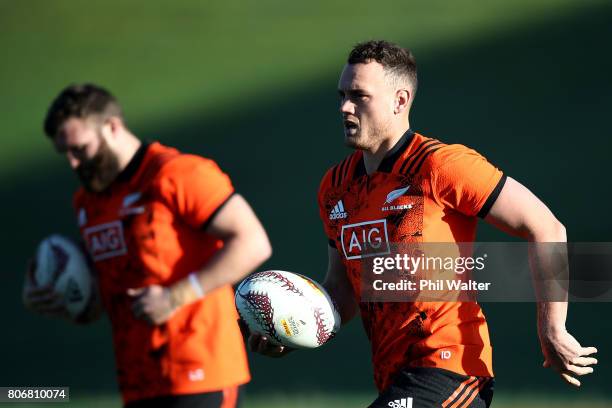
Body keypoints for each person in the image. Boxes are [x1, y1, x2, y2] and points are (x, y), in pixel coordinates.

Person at [250, 40, 597, 407]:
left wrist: (551, 328)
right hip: (395, 377)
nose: (345, 107)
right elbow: (342, 289)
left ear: (400, 100)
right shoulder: (335, 188)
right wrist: (294, 327)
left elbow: (546, 227)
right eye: (341, 95)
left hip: (452, 368)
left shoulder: (440, 166)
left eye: (359, 96)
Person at [23, 84, 272, 408]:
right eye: (65, 154)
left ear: (112, 127)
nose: (72, 163)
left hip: (201, 373)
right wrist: (57, 298)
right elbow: (108, 297)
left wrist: (174, 297)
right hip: (137, 382)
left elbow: (253, 242)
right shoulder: (87, 203)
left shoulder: (177, 173)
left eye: (79, 149)